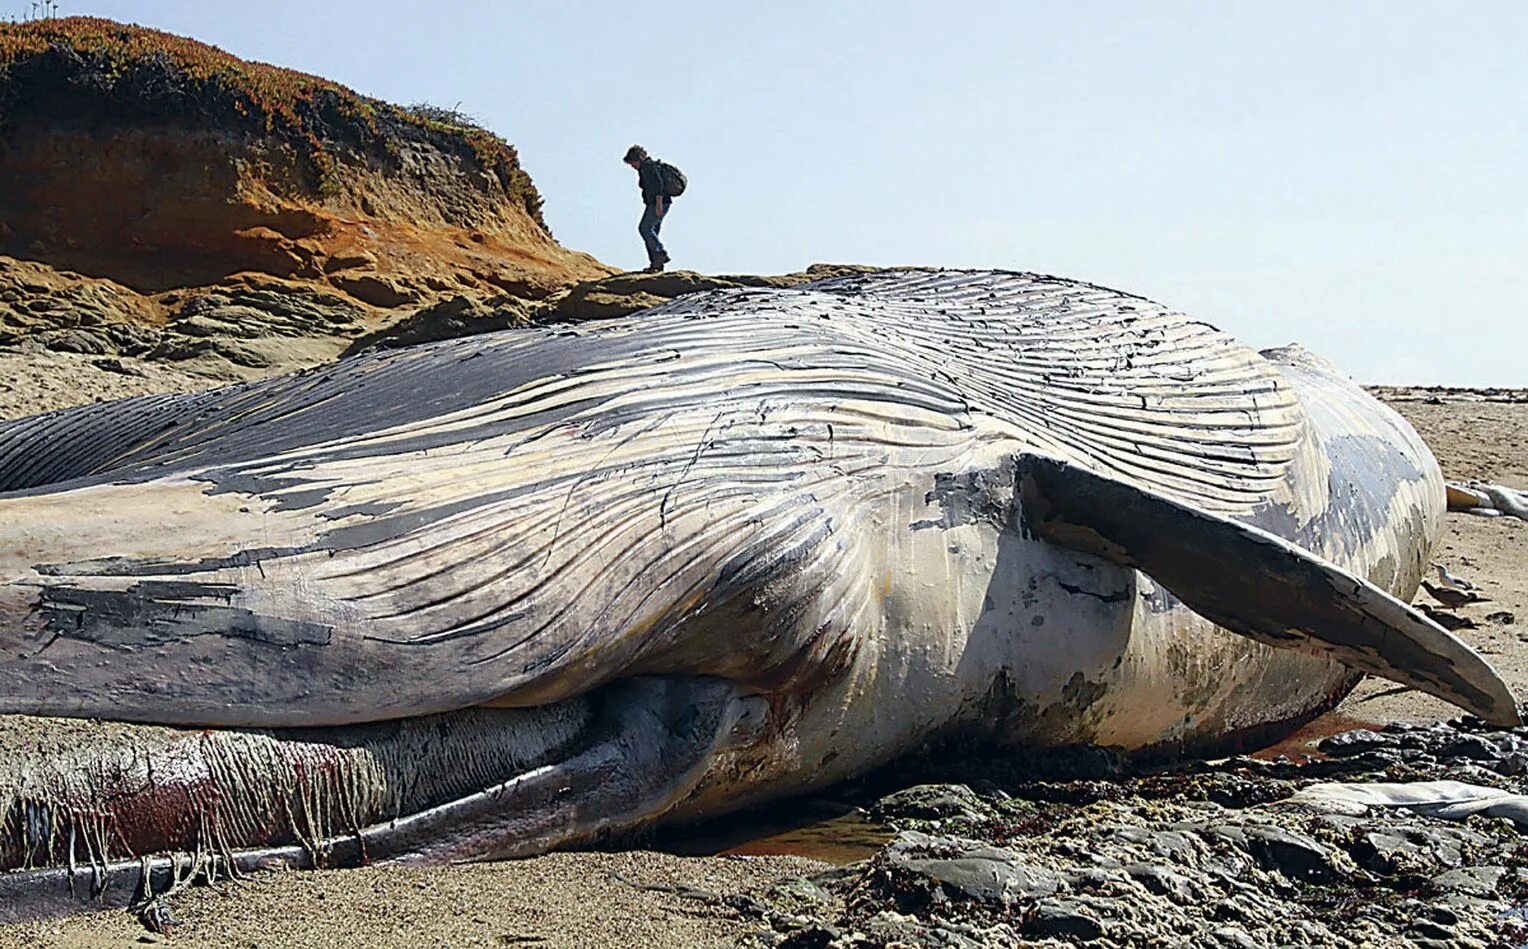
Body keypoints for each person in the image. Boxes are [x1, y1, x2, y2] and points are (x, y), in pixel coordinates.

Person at [623, 145, 674, 273]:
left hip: (658, 203)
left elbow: (658, 186)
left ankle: (660, 254)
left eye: (632, 163)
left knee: (644, 228)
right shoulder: (646, 168)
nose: (632, 166)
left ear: (637, 159)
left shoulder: (648, 167)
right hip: (658, 203)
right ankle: (656, 265)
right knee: (652, 233)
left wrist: (658, 205)